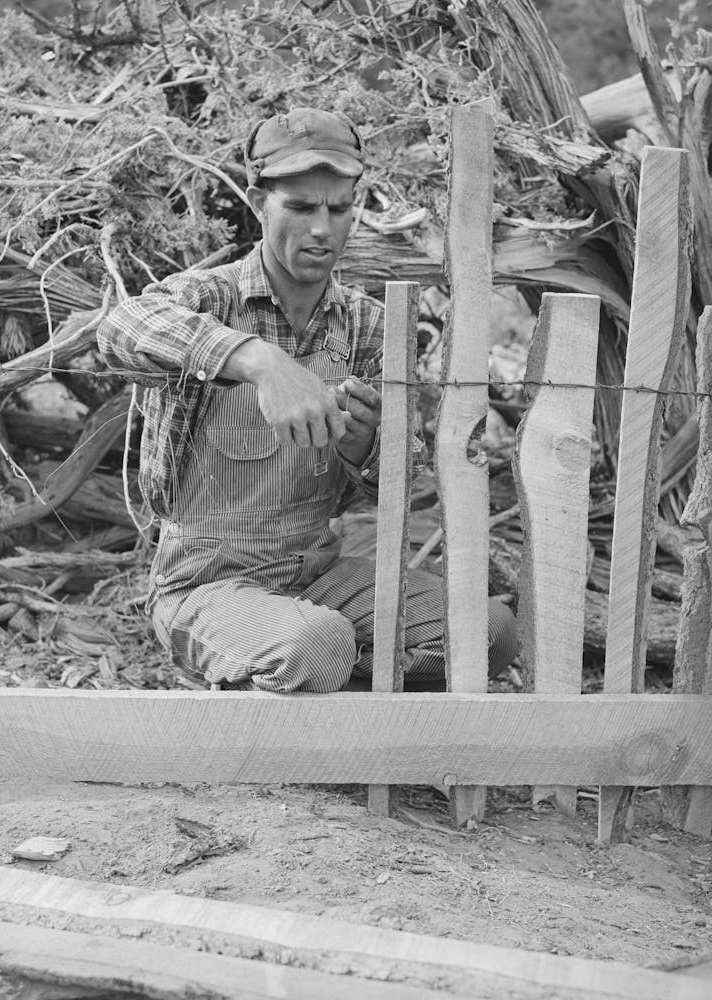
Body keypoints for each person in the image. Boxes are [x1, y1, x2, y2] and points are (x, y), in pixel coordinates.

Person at [97, 107, 517, 693]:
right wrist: (261, 362)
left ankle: (301, 676)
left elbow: (397, 486)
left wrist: (365, 446)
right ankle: (284, 661)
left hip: (319, 579)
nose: (322, 228)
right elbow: (121, 327)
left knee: (490, 631)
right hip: (204, 586)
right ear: (257, 202)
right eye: (299, 207)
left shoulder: (370, 326)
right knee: (315, 642)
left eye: (338, 209)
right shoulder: (209, 299)